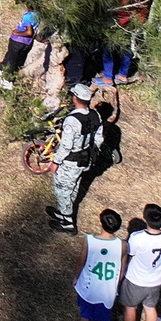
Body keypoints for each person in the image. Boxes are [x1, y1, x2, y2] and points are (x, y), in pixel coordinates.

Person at [118, 203, 161, 321]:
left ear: (146, 219)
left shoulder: (137, 238)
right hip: (155, 281)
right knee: (151, 309)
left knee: (130, 308)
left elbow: (128, 256)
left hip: (135, 280)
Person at [46, 82, 101, 231]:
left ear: (76, 98)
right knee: (74, 185)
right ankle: (63, 213)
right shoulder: (95, 115)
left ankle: (68, 222)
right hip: (86, 158)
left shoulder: (73, 120)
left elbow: (66, 146)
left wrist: (56, 161)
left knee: (62, 189)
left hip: (71, 160)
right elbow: (99, 138)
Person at [74, 207, 124, 321]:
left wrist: (76, 277)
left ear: (101, 224)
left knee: (85, 316)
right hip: (107, 289)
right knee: (101, 317)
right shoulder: (123, 245)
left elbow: (82, 261)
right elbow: (122, 269)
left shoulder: (90, 240)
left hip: (89, 286)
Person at [0, 5, 40, 89]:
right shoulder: (38, 15)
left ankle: (7, 81)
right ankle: (1, 68)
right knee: (18, 61)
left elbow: (29, 32)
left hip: (18, 41)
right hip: (28, 43)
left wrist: (17, 33)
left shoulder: (28, 16)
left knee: (12, 61)